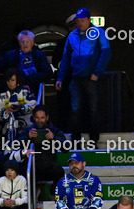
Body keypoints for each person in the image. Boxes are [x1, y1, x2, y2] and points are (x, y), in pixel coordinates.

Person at [57, 8, 111, 144]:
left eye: (82, 21)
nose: (80, 23)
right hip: (76, 77)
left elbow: (106, 53)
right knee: (76, 109)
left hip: (91, 77)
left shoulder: (98, 33)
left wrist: (96, 73)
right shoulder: (72, 36)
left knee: (93, 108)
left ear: (88, 20)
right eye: (78, 21)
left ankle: (93, 139)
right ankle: (76, 139)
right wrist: (60, 77)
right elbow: (66, 58)